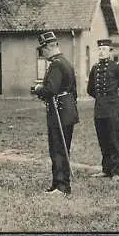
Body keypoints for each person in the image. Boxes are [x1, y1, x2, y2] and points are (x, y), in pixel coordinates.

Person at [32, 31, 79, 196]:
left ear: (50, 47)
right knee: (60, 147)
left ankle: (62, 186)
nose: (43, 53)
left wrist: (38, 89)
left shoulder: (57, 64)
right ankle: (58, 183)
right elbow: (74, 91)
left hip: (60, 112)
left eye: (43, 49)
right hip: (66, 110)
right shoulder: (65, 62)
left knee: (58, 148)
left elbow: (50, 89)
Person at [87, 39, 119, 180]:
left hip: (114, 109)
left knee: (114, 140)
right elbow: (90, 89)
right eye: (100, 49)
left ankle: (115, 171)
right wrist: (101, 99)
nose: (101, 51)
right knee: (103, 140)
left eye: (104, 49)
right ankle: (106, 169)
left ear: (110, 51)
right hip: (100, 110)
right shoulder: (95, 68)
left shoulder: (117, 67)